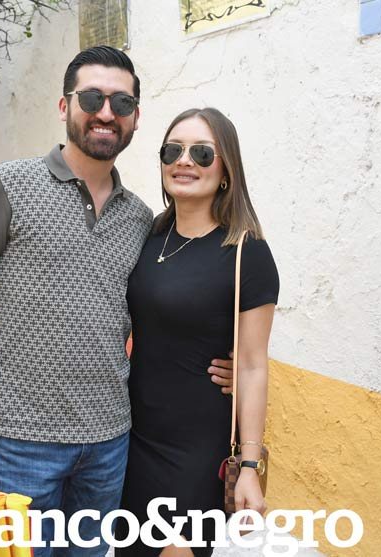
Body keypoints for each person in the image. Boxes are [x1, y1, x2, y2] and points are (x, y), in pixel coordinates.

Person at [0, 46, 235, 557]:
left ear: (136, 117)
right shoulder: (7, 186)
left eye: (121, 102)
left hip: (111, 444)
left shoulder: (140, 218)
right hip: (24, 441)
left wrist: (230, 366)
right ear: (64, 105)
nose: (106, 112)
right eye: (92, 98)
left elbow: (161, 311)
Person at [116, 108, 278, 556]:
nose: (184, 160)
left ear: (226, 170)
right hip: (131, 437)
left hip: (195, 446)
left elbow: (252, 365)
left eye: (202, 152)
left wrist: (249, 465)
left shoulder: (246, 252)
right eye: (173, 150)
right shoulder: (149, 237)